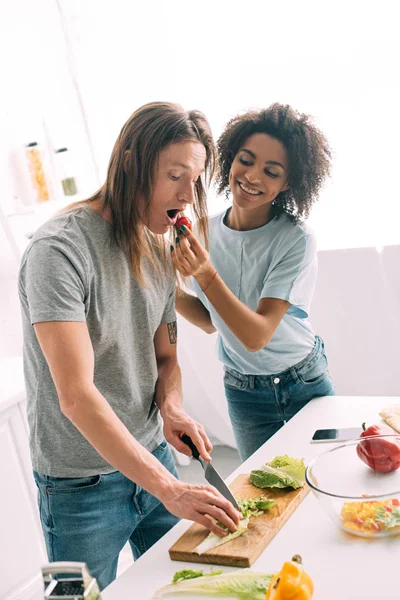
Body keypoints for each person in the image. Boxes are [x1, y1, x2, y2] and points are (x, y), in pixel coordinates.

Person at [18, 102, 240, 590]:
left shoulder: (159, 246)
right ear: (130, 162)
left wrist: (172, 408)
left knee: (184, 586)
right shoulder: (58, 252)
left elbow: (165, 357)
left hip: (153, 454)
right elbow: (75, 396)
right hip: (79, 485)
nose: (187, 194)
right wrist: (171, 489)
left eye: (195, 178)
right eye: (175, 175)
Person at [172, 103, 336, 461]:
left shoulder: (296, 239)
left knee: (325, 475)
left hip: (303, 381)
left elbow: (255, 335)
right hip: (243, 390)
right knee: (262, 494)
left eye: (271, 171)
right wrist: (160, 285)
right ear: (231, 158)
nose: (252, 177)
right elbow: (208, 321)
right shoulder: (201, 231)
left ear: (288, 182)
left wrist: (204, 273)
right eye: (245, 161)